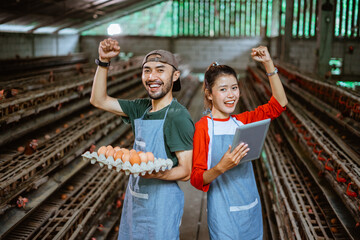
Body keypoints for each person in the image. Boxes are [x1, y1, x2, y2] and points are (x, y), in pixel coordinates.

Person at [90, 38, 194, 240]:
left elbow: (185, 171)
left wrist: (154, 174)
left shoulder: (177, 116)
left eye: (160, 70)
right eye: (147, 70)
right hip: (135, 198)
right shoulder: (140, 108)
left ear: (175, 76)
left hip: (161, 204)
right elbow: (98, 100)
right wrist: (103, 62)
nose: (152, 76)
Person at [190, 46, 288, 239]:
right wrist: (220, 167)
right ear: (209, 94)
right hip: (223, 215)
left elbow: (279, 104)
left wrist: (268, 63)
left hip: (250, 207)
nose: (231, 95)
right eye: (223, 89)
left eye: (234, 88)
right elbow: (196, 178)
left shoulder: (242, 121)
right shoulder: (204, 128)